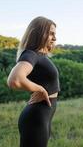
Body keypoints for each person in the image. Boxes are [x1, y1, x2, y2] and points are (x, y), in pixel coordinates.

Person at [7, 16, 60, 147]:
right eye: (51, 33)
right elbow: (15, 79)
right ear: (39, 33)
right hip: (36, 116)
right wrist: (40, 89)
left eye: (55, 34)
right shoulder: (31, 54)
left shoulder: (40, 55)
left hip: (43, 115)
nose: (55, 38)